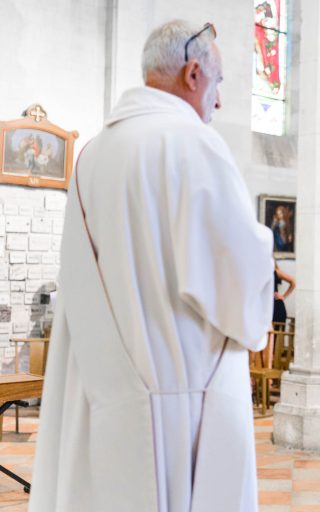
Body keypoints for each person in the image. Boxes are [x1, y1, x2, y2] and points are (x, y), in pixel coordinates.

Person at [30, 21, 274, 512]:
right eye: (219, 82)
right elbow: (236, 282)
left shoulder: (91, 156)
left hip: (102, 393)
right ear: (193, 73)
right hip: (179, 400)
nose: (219, 101)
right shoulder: (193, 144)